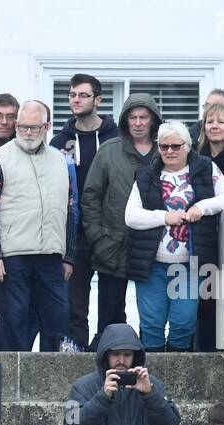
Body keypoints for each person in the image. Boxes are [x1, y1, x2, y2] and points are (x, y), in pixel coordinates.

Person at [124, 120, 224, 352]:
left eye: (176, 146)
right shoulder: (146, 175)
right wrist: (164, 217)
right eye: (164, 147)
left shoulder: (206, 168)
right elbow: (131, 216)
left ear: (187, 146)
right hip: (151, 265)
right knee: (151, 324)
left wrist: (201, 207)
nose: (170, 151)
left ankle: (178, 376)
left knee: (184, 322)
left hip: (189, 265)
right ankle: (152, 378)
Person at [0, 100, 79, 352]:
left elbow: (69, 209)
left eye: (34, 128)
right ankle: (10, 383)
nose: (28, 133)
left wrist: (69, 255)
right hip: (12, 256)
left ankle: (52, 383)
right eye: (23, 127)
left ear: (47, 126)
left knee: (57, 319)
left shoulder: (60, 160)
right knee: (14, 321)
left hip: (51, 255)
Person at [80, 93, 161, 349]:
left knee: (154, 314)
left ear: (153, 120)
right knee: (110, 317)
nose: (137, 123)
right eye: (132, 117)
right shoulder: (109, 151)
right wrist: (98, 236)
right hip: (112, 245)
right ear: (125, 120)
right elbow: (91, 196)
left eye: (143, 117)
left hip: (155, 247)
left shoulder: (166, 149)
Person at [51, 74, 119, 350]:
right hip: (73, 234)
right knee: (73, 304)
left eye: (82, 95)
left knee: (112, 304)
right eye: (71, 95)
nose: (75, 100)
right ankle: (74, 358)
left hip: (110, 232)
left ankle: (110, 355)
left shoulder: (117, 138)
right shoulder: (59, 142)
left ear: (98, 100)